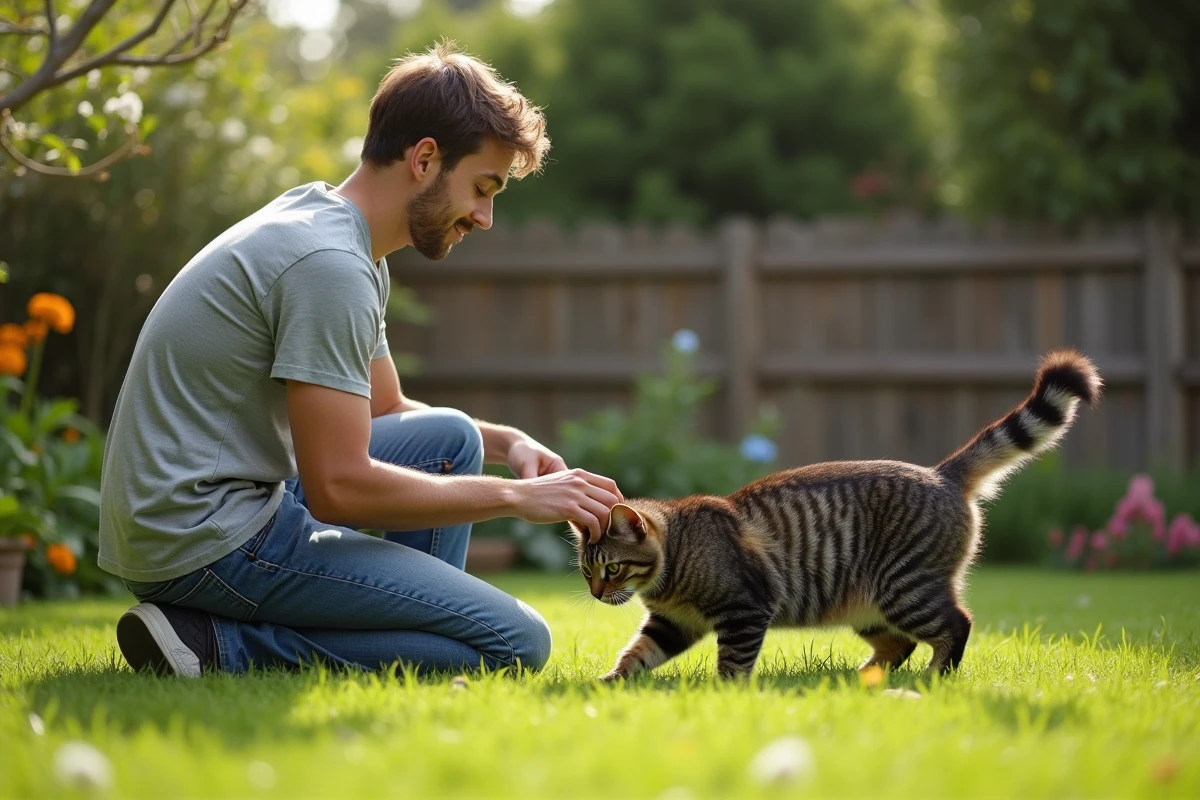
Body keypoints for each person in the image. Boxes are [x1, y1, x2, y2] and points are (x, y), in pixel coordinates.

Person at [99, 41, 623, 678]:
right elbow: (338, 486)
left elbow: (386, 410)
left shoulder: (340, 237)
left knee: (451, 437)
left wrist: (507, 442)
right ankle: (218, 645)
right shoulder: (330, 267)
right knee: (515, 642)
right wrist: (518, 497)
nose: (485, 218)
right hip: (203, 539)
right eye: (482, 189)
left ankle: (410, 624)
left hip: (207, 511)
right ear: (425, 158)